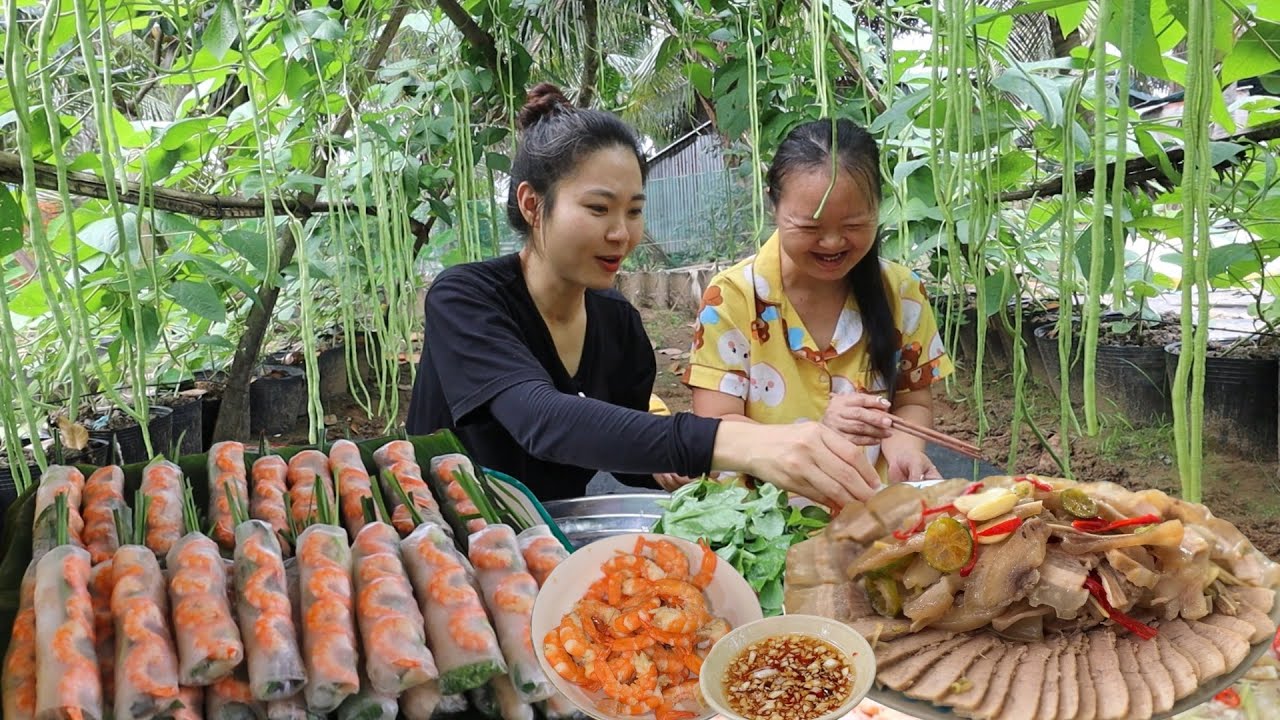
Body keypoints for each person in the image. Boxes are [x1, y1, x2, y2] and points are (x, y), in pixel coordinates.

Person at [406, 83, 881, 507]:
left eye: (634, 211)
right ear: (533, 204)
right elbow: (541, 421)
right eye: (599, 208)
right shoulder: (465, 299)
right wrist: (739, 443)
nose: (622, 233)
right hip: (439, 537)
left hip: (550, 536)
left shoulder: (617, 323)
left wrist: (665, 467)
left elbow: (622, 449)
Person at [684, 118, 954, 485]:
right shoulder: (731, 298)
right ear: (774, 205)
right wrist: (818, 434)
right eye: (810, 227)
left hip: (871, 510)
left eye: (854, 225)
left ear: (878, 206)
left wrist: (905, 451)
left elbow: (911, 403)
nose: (832, 243)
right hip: (759, 513)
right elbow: (716, 427)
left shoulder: (902, 293)